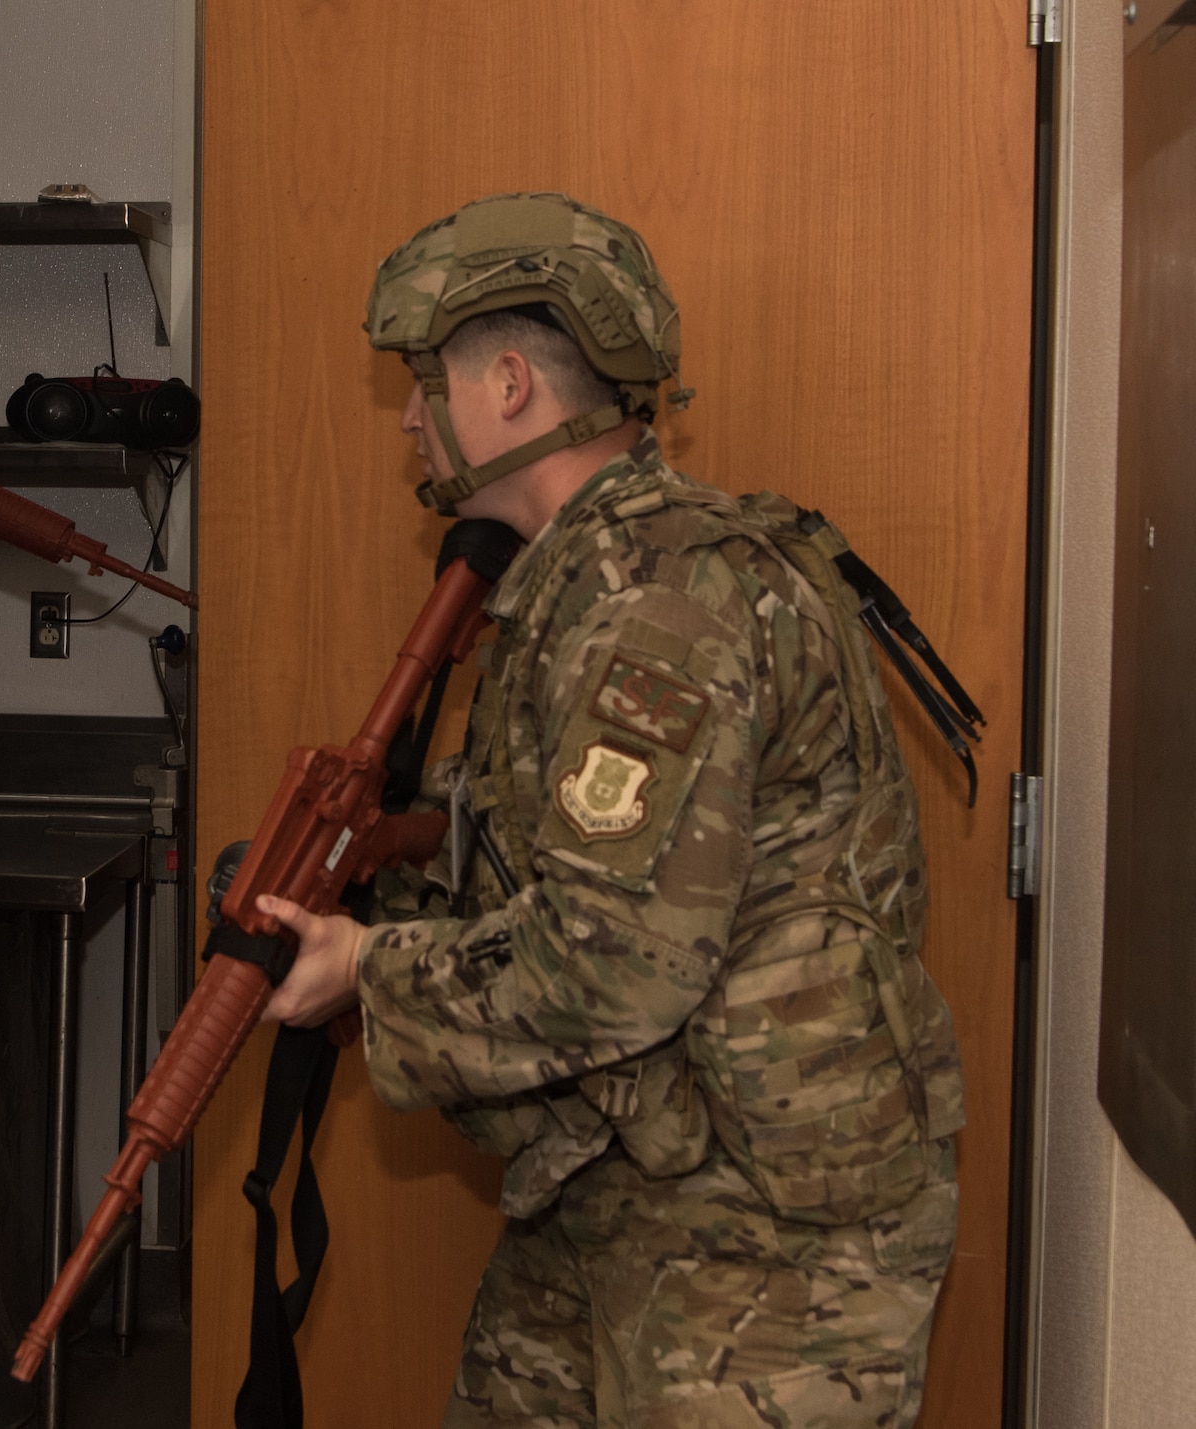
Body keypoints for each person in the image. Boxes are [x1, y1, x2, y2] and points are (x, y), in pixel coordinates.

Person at [255, 194, 964, 1428]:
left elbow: (602, 966)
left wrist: (365, 970)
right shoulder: (574, 583)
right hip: (625, 1167)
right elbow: (531, 871)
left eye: (424, 382)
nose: (411, 416)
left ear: (512, 385)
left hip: (764, 1236)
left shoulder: (658, 607)